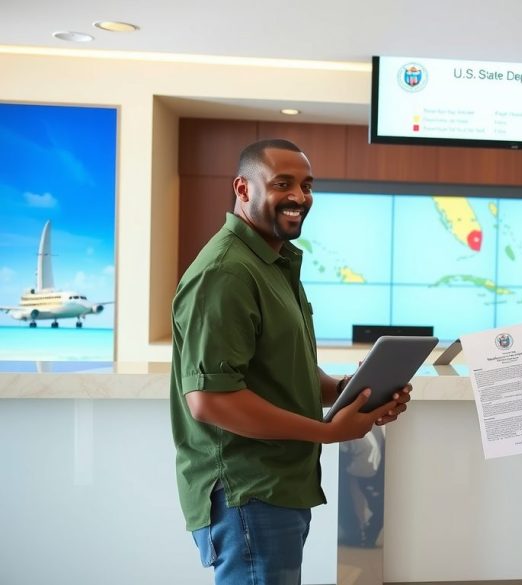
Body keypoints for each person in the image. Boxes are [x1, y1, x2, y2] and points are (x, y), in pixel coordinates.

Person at [170, 138, 412, 585]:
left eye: (307, 185)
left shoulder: (272, 264)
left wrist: (345, 390)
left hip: (278, 486)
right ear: (243, 189)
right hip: (247, 491)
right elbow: (210, 401)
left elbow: (282, 371)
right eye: (283, 183)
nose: (300, 197)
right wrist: (325, 431)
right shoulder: (226, 272)